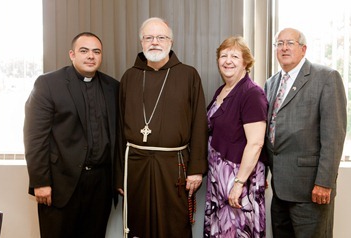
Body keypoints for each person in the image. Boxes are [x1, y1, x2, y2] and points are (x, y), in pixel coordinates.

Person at [24, 32, 121, 238]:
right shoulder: (48, 84)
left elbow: (119, 137)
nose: (90, 56)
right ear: (72, 54)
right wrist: (40, 181)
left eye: (96, 51)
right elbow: (34, 137)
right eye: (84, 51)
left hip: (100, 184)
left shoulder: (113, 87)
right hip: (61, 183)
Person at [119, 17, 208, 238]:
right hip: (136, 165)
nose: (155, 42)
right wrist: (119, 174)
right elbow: (118, 127)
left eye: (161, 37)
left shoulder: (188, 75)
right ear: (141, 42)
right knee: (139, 223)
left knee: (174, 225)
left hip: (174, 166)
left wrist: (196, 169)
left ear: (171, 41)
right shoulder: (129, 77)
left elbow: (199, 123)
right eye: (149, 38)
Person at [264, 28, 347, 238]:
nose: (283, 48)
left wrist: (324, 182)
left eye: (289, 43)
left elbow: (334, 136)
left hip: (310, 190)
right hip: (280, 190)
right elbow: (270, 132)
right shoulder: (271, 83)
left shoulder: (326, 77)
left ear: (303, 49)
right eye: (279, 43)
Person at [203, 36, 268, 237]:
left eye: (234, 56)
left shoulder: (251, 93)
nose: (227, 61)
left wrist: (239, 184)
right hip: (218, 179)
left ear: (246, 62)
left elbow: (256, 143)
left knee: (238, 231)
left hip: (239, 178)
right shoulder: (222, 91)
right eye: (223, 56)